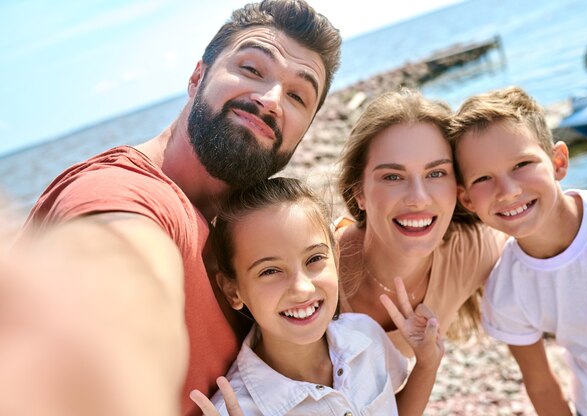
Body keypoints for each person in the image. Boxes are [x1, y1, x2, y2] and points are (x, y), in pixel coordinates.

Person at [13, 1, 341, 415]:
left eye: (297, 95)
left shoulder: (247, 233)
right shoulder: (120, 193)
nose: (272, 99)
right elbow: (116, 266)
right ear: (197, 76)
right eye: (252, 69)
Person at [189, 177, 444, 415]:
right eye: (270, 271)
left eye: (314, 259)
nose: (303, 288)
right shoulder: (240, 409)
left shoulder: (366, 335)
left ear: (336, 255)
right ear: (233, 290)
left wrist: (426, 364)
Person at [450, 86, 587, 415]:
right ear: (467, 200)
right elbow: (541, 384)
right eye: (484, 178)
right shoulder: (508, 292)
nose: (508, 190)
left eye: (521, 164)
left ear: (558, 161)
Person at [335, 89, 506, 360]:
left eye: (436, 173)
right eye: (392, 177)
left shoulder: (468, 251)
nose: (418, 198)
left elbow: (548, 235)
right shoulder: (315, 269)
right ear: (359, 192)